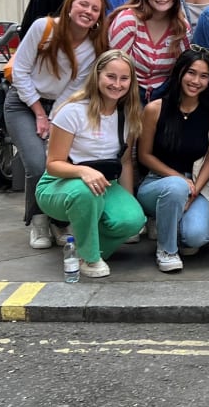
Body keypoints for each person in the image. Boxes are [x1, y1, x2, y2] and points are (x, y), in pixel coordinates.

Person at [5, 0, 108, 247]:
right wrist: (39, 112)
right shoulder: (44, 28)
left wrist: (54, 118)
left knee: (62, 160)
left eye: (95, 9)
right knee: (38, 164)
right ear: (70, 6)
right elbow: (20, 71)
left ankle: (58, 220)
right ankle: (39, 222)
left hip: (61, 107)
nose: (88, 11)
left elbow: (75, 89)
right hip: (22, 102)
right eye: (83, 4)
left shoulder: (92, 46)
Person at [35, 49, 146, 279]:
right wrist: (83, 171)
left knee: (133, 219)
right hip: (60, 182)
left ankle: (80, 247)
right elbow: (53, 164)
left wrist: (128, 200)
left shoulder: (130, 114)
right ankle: (90, 258)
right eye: (111, 76)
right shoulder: (73, 111)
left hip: (104, 182)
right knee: (86, 193)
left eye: (124, 78)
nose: (117, 84)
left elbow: (124, 162)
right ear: (97, 75)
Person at [136, 48, 209, 272]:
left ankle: (172, 225)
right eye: (191, 73)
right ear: (179, 73)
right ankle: (167, 250)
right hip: (157, 183)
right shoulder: (155, 109)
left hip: (196, 184)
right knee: (175, 188)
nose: (196, 81)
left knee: (196, 237)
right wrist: (178, 180)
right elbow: (144, 155)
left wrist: (193, 191)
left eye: (203, 76)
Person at [107, 0, 190, 97]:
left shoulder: (181, 26)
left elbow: (183, 67)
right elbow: (113, 63)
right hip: (127, 90)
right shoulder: (128, 20)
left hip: (165, 91)